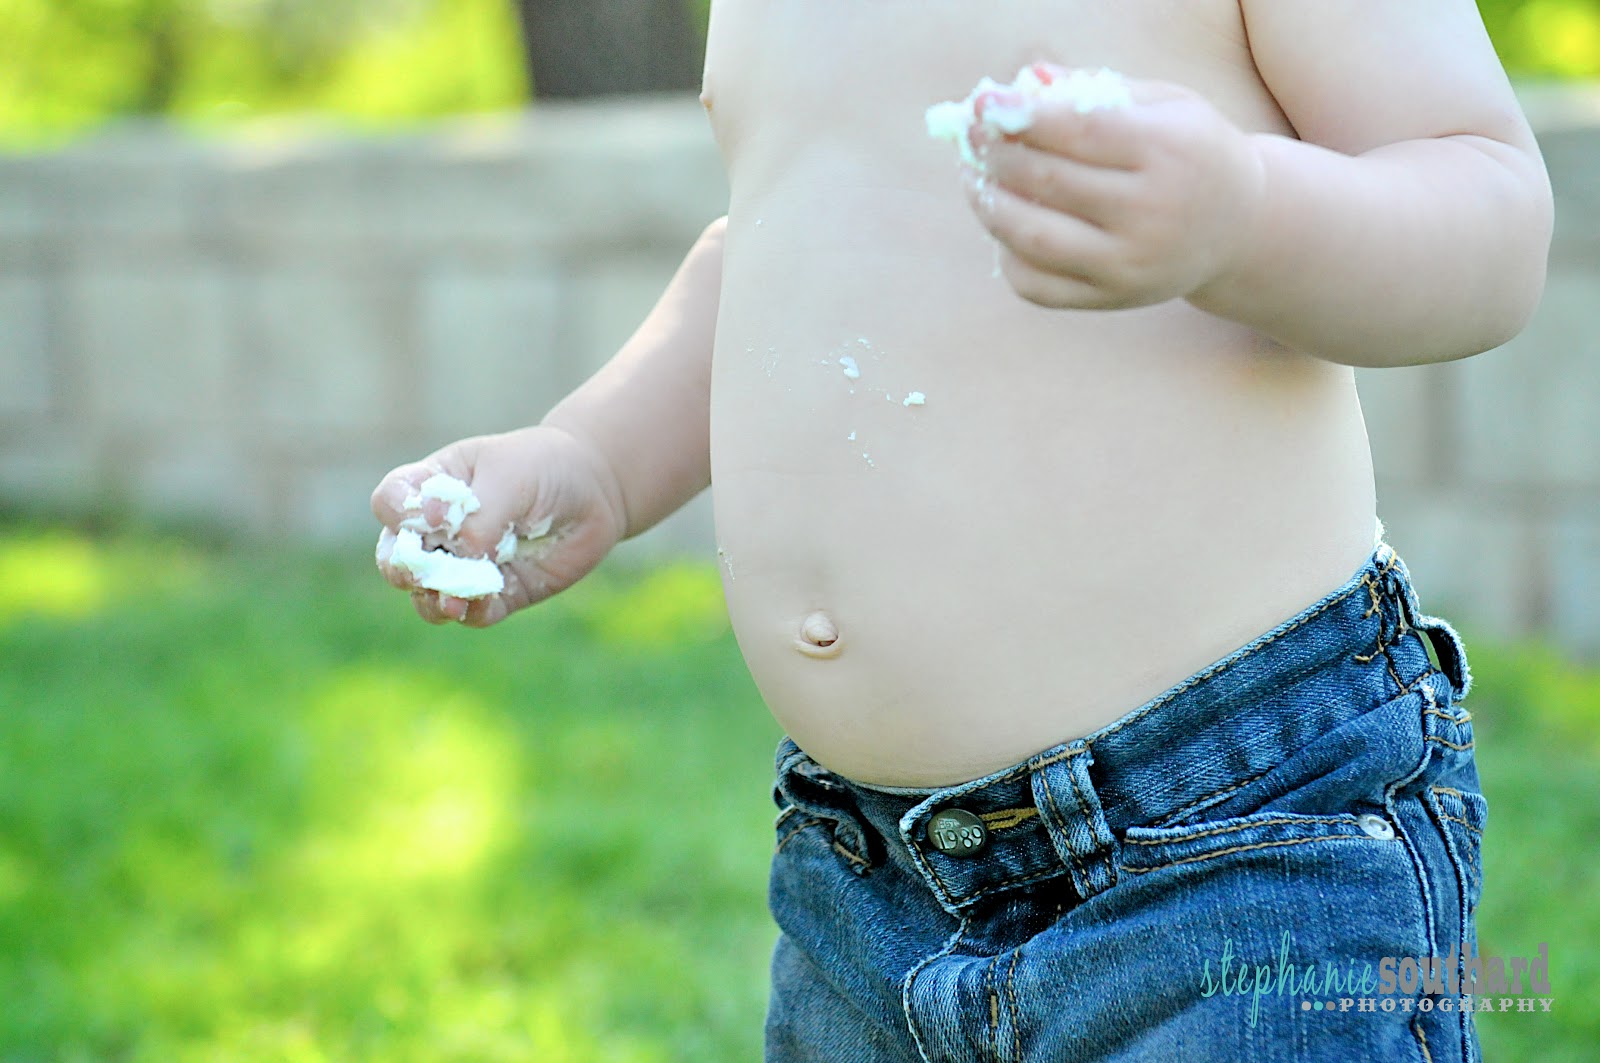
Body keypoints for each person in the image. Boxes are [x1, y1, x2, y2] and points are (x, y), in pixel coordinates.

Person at [371, 1, 1552, 1058]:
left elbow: (1487, 207)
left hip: (1233, 834)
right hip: (862, 881)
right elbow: (784, 242)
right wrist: (592, 454)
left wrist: (1241, 214)